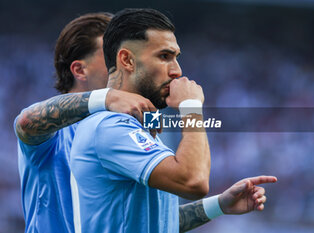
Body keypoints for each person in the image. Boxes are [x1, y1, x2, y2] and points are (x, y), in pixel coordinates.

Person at [70, 8, 277, 233]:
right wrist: (191, 107)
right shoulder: (110, 127)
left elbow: (156, 222)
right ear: (127, 60)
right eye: (164, 57)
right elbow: (194, 182)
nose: (177, 71)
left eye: (176, 58)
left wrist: (218, 205)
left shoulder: (134, 126)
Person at [14, 12, 157, 233]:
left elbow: (147, 221)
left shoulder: (124, 132)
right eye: (113, 57)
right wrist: (107, 97)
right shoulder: (54, 135)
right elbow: (26, 121)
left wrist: (217, 205)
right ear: (80, 70)